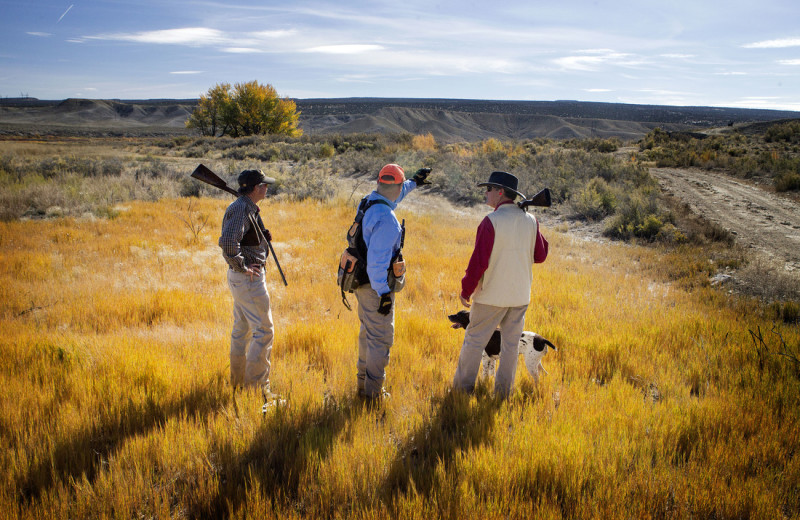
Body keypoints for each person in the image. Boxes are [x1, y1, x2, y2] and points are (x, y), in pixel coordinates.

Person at [452, 171, 548, 398]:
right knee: (511, 348)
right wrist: (528, 226)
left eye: (488, 189)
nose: (485, 193)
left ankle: (462, 392)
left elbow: (478, 262)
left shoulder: (491, 221)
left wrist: (466, 290)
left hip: (491, 296)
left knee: (474, 342)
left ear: (500, 192)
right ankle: (503, 394)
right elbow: (541, 254)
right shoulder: (531, 221)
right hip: (520, 297)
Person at [355, 163, 430, 401]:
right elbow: (377, 262)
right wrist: (384, 293)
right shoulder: (388, 220)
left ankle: (362, 386)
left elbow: (393, 195)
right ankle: (373, 395)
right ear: (396, 187)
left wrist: (413, 183)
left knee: (368, 334)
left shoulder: (369, 201)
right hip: (375, 287)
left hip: (361, 283)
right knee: (380, 341)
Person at [218, 168, 279, 399]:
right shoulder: (241, 208)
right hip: (248, 279)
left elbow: (241, 239)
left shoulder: (246, 207)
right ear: (255, 188)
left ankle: (238, 383)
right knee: (263, 332)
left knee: (242, 330)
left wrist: (261, 237)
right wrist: (243, 266)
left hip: (244, 280)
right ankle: (257, 391)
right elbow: (228, 243)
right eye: (264, 185)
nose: (266, 188)